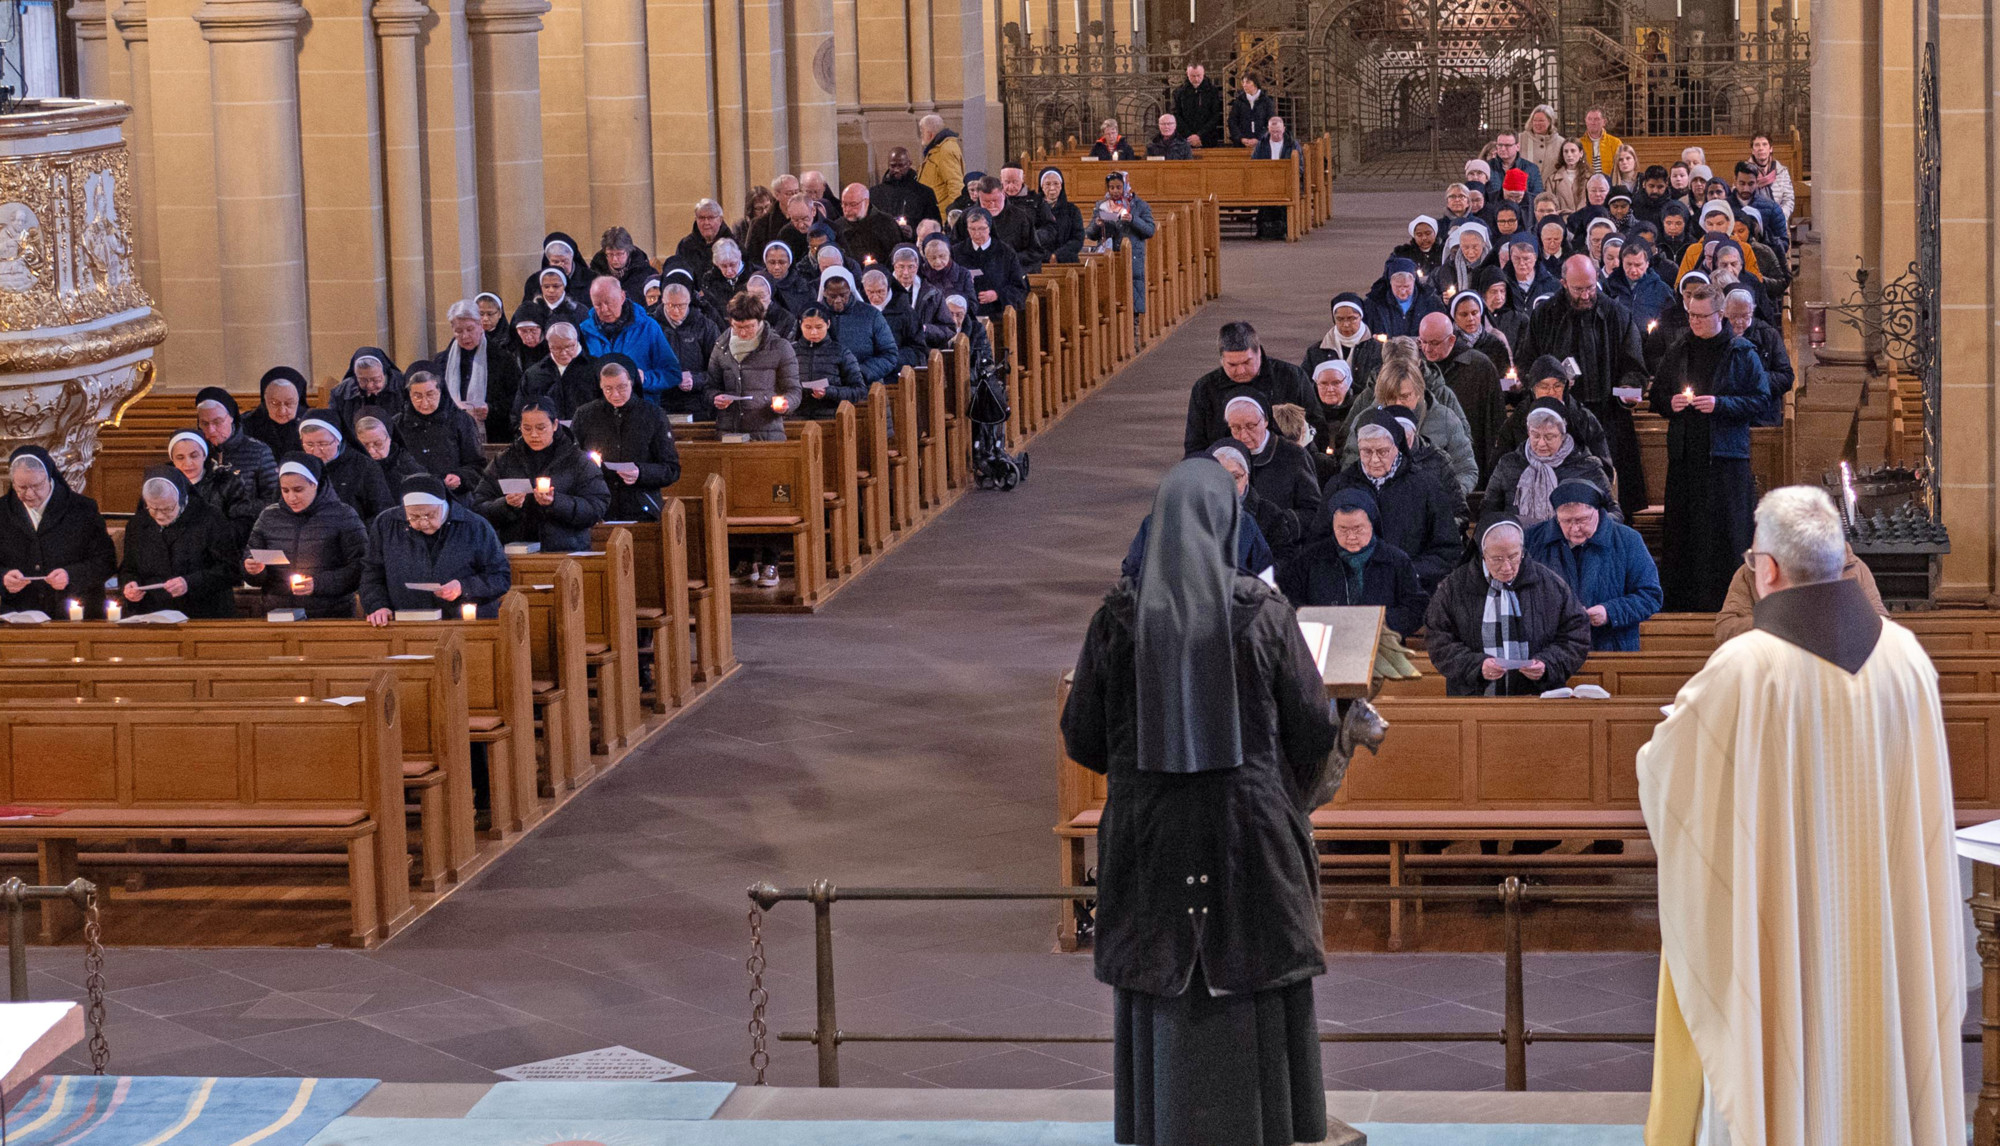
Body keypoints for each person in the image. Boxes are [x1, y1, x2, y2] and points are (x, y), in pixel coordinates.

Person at [1638, 485, 1966, 1146]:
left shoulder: (1744, 668)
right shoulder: (1907, 658)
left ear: (1766, 569)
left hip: (1778, 917)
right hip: (1880, 920)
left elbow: (1665, 769)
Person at [1062, 457, 1340, 1146]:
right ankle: (1275, 1123)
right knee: (1255, 970)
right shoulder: (1264, 612)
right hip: (1250, 832)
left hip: (1150, 832)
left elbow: (1083, 736)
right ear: (1228, 524)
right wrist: (1268, 778)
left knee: (1162, 973)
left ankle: (1160, 1122)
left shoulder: (1116, 619)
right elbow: (1314, 728)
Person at [1649, 282, 1771, 612]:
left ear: (1720, 315)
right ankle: (1682, 607)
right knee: (1685, 533)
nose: (1695, 322)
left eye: (1702, 317)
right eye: (1691, 315)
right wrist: (1670, 403)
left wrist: (1721, 404)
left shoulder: (1741, 352)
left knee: (1725, 533)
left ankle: (1731, 603)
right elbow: (1657, 395)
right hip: (1686, 458)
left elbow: (1761, 399)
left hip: (1725, 458)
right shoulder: (1679, 348)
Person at [1514, 254, 1649, 512]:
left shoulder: (1617, 314)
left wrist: (1629, 387)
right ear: (1564, 283)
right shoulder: (1544, 315)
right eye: (1578, 289)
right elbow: (1527, 363)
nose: (1586, 295)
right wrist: (1547, 382)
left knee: (1608, 495)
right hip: (1558, 418)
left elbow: (1634, 365)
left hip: (1607, 416)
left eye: (1590, 287)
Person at [1423, 516, 1590, 696]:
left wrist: (1547, 664)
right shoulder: (1454, 587)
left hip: (1537, 698)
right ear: (1483, 554)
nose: (1507, 567)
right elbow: (1438, 640)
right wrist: (1476, 666)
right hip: (1473, 700)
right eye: (1497, 559)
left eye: (1513, 556)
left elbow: (1576, 635)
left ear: (1522, 550)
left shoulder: (1550, 584)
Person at [1324, 411, 1461, 590]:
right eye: (1366, 451)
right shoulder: (1340, 485)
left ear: (1396, 446)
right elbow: (1319, 543)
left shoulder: (1425, 486)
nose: (1374, 459)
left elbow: (1447, 549)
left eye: (1382, 451)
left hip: (1411, 588)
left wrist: (1407, 571)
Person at [359, 473, 512, 626]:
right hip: (406, 625)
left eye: (429, 515)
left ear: (443, 505)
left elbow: (500, 577)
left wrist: (463, 587)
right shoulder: (386, 524)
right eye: (414, 517)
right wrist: (378, 606)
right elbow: (372, 574)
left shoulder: (475, 526)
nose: (423, 523)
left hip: (462, 625)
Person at [1523, 480, 1659, 651]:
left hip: (1611, 647)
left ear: (1598, 512)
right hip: (1551, 650)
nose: (1575, 528)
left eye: (1582, 520)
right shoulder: (1533, 540)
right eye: (1566, 521)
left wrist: (1609, 612)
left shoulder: (1628, 540)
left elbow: (1650, 596)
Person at [1279, 487, 1428, 637]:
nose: (1351, 537)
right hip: (1324, 639)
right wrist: (1318, 621)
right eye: (1342, 529)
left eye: (1358, 529)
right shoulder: (1310, 559)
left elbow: (1415, 607)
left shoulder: (1396, 560)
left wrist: (1379, 621)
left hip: (1381, 640)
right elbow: (1288, 600)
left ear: (1372, 524)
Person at [474, 398, 611, 552]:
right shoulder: (504, 460)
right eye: (527, 428)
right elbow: (478, 506)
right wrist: (505, 505)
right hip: (515, 552)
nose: (534, 434)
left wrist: (555, 502)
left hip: (566, 551)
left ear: (555, 425)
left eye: (541, 428)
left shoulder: (577, 461)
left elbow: (596, 506)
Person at [243, 452, 369, 618]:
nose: (291, 497)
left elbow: (361, 565)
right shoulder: (269, 517)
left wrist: (318, 584)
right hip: (278, 612)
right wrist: (253, 570)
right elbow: (251, 562)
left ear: (314, 484)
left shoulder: (343, 515)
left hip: (330, 614)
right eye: (285, 490)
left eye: (298, 490)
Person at [1339, 349, 1477, 497]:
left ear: (1418, 392)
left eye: (1405, 396)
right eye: (1391, 397)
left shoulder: (1445, 419)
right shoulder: (1364, 421)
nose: (1398, 403)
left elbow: (1466, 469)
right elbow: (1350, 469)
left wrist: (1446, 497)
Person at [0, 445, 116, 619]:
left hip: (75, 614)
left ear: (49, 477)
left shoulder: (82, 509)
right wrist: (3, 577)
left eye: (37, 486)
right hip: (20, 614)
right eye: (21, 487)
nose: (30, 494)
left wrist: (70, 575)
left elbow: (106, 562)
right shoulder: (3, 511)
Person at [118, 469, 240, 618]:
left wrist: (189, 583)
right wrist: (130, 584)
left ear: (181, 499)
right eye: (153, 508)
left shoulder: (210, 518)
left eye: (167, 508)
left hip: (203, 614)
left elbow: (231, 570)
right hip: (153, 615)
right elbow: (129, 568)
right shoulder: (137, 524)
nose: (159, 515)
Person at [1184, 322, 1317, 455]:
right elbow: (1195, 445)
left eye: (1247, 362)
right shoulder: (1204, 389)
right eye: (1232, 365)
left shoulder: (1291, 377)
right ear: (1221, 360)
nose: (1241, 371)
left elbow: (1316, 423)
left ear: (1259, 352)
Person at [1483, 401, 1616, 526]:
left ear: (1563, 435)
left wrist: (1589, 526)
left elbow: (1613, 511)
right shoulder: (1509, 464)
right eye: (1535, 435)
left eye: (1549, 437)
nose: (1541, 443)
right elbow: (1488, 510)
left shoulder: (1587, 467)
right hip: (1518, 539)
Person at [1221, 395, 1320, 560]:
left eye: (1251, 426)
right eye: (1235, 428)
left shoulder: (1293, 455)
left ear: (1265, 420)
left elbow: (1314, 511)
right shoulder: (1222, 456)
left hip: (1282, 553)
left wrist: (1281, 522)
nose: (1243, 435)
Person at [1494, 354, 1614, 476]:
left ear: (1565, 388)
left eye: (1557, 386)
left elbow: (1603, 467)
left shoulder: (1582, 418)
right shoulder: (1518, 420)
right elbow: (1500, 468)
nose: (1551, 392)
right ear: (1533, 390)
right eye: (1544, 387)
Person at [1419, 310, 1502, 483]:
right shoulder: (1417, 367)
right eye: (1423, 342)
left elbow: (1494, 421)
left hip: (1470, 456)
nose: (1427, 349)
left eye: (1434, 343)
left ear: (1451, 340)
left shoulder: (1480, 366)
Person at [706, 292, 801, 442]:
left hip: (767, 431)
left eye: (749, 326)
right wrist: (715, 397)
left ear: (760, 321)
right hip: (729, 431)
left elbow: (794, 390)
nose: (743, 333)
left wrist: (786, 403)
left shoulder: (780, 347)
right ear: (730, 322)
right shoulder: (721, 347)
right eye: (738, 327)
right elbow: (710, 387)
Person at [433, 297, 523, 444]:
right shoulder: (442, 361)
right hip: (451, 437)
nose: (465, 336)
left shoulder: (502, 359)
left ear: (480, 326)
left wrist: (491, 409)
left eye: (470, 329)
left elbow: (517, 398)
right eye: (458, 331)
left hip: (494, 435)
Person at [580, 276, 679, 401]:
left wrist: (645, 379)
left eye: (609, 302)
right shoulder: (584, 331)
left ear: (622, 297)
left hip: (641, 405)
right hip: (599, 406)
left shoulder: (647, 327)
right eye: (597, 305)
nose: (604, 309)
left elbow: (672, 373)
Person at [395, 368, 487, 501]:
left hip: (454, 496)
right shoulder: (398, 424)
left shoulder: (461, 420)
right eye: (417, 396)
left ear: (440, 392)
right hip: (411, 495)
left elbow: (477, 464)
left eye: (430, 394)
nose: (425, 402)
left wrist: (460, 477)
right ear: (409, 396)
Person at [166, 426, 259, 546]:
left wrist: (210, 535)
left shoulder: (227, 482)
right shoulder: (162, 486)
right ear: (172, 459)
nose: (188, 463)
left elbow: (243, 525)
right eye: (180, 458)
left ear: (204, 455)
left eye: (194, 456)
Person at [1084, 171, 1157, 320]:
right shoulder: (1101, 206)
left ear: (1126, 186)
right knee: (1109, 297)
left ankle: (1134, 327)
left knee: (1131, 296)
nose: (1115, 191)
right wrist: (1098, 224)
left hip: (1132, 257)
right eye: (1111, 188)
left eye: (1118, 187)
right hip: (1108, 256)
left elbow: (1150, 230)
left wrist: (1132, 219)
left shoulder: (1139, 205)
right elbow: (1090, 234)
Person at [298, 412, 393, 524]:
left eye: (323, 444)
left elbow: (383, 515)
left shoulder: (365, 467)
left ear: (338, 440)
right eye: (309, 445)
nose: (316, 452)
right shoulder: (298, 466)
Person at [194, 386, 280, 504]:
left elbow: (273, 500)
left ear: (231, 418)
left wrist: (242, 510)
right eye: (204, 423)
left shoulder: (259, 451)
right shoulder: (194, 452)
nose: (211, 430)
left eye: (217, 422)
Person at [1723, 287, 1794, 426]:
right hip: (1729, 413)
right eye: (1733, 316)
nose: (1739, 322)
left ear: (1752, 311)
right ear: (1724, 313)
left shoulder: (1768, 334)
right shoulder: (1720, 334)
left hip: (1763, 414)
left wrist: (1756, 378)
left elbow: (1786, 377)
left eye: (1744, 316)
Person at [818, 266, 900, 383]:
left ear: (850, 291)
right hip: (823, 387)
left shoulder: (871, 315)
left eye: (843, 295)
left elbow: (889, 354)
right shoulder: (812, 315)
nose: (838, 300)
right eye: (832, 296)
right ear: (824, 293)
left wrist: (860, 373)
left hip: (865, 385)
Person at [789, 302, 867, 420]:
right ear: (800, 324)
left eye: (819, 327)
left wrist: (829, 392)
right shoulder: (790, 352)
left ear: (828, 324)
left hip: (831, 417)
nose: (813, 332)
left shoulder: (841, 352)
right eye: (808, 327)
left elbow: (859, 390)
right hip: (795, 418)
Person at [952, 207, 1028, 321]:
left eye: (982, 229)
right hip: (964, 317)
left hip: (998, 317)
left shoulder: (1005, 252)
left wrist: (997, 295)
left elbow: (1019, 288)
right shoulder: (956, 252)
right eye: (972, 229)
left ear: (990, 228)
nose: (977, 234)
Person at [327, 346, 406, 432]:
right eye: (363, 380)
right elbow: (333, 425)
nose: (370, 386)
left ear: (384, 373)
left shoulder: (403, 387)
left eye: (376, 380)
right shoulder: (340, 393)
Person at [1362, 257, 1444, 338]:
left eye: (1407, 286)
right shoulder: (1374, 304)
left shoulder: (1431, 301)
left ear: (1414, 281)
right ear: (1390, 282)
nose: (1403, 292)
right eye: (1398, 287)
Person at [352, 408, 426, 492]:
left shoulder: (410, 470)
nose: (371, 451)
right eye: (364, 445)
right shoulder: (350, 469)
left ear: (389, 439)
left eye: (378, 444)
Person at [872, 147, 942, 236]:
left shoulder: (925, 193)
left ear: (909, 164)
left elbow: (934, 227)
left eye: (901, 165)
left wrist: (914, 232)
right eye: (893, 166)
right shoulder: (875, 193)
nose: (897, 169)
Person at [835, 183, 903, 271]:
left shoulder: (886, 223)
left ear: (866, 202)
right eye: (844, 204)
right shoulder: (838, 226)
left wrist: (879, 268)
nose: (847, 209)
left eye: (853, 204)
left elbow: (896, 255)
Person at [245, 366, 307, 460]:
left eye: (289, 403)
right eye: (274, 403)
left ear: (299, 401)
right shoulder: (247, 425)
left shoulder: (311, 422)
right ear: (265, 401)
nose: (282, 411)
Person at [519, 232, 596, 308]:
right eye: (555, 262)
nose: (560, 265)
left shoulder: (592, 279)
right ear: (548, 261)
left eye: (564, 261)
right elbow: (526, 310)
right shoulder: (534, 282)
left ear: (572, 258)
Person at [916, 115, 965, 230]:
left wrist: (952, 219)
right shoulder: (937, 149)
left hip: (941, 217)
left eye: (922, 131)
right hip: (934, 213)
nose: (921, 135)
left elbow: (955, 185)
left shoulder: (945, 150)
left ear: (930, 134)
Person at [593, 226, 658, 303]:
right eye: (610, 254)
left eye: (619, 254)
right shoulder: (595, 271)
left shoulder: (645, 272)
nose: (614, 259)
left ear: (628, 252)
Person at [1169, 62, 1224, 148]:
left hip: (1208, 137)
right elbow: (1176, 115)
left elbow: (1216, 115)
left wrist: (1200, 135)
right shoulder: (1179, 92)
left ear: (1203, 73)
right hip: (1185, 138)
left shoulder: (1212, 91)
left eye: (1199, 75)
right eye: (1193, 76)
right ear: (1187, 74)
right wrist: (1190, 136)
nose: (1196, 79)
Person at [672, 205, 729, 281]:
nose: (706, 222)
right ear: (696, 220)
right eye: (701, 218)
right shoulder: (685, 245)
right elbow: (679, 273)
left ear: (720, 220)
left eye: (711, 218)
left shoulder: (732, 245)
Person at [1746, 131, 1795, 219]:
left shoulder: (1781, 171)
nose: (1761, 148)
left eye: (1764, 144)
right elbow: (1739, 199)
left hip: (1778, 219)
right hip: (1753, 221)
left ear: (1771, 149)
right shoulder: (1744, 172)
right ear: (1752, 151)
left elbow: (1788, 199)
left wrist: (1780, 217)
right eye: (1757, 145)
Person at [1489, 129, 1543, 196]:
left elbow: (1537, 196)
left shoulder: (1531, 169)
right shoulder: (1488, 167)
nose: (1503, 149)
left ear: (1517, 147)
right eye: (1500, 145)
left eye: (1507, 145)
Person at [1518, 103, 1565, 177]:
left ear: (1550, 122)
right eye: (1535, 120)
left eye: (1541, 121)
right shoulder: (1520, 139)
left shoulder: (1561, 142)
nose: (1537, 123)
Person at [1228, 73, 1274, 145]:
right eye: (1243, 82)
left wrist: (1259, 138)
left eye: (1248, 82)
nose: (1244, 85)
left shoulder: (1266, 101)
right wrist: (1241, 138)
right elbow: (1232, 121)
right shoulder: (1239, 101)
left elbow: (1271, 122)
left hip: (1262, 143)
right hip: (1242, 143)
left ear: (1255, 84)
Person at [1576, 107, 1621, 177]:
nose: (1592, 122)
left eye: (1596, 119)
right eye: (1589, 119)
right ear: (1586, 121)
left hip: (1609, 181)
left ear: (1604, 122)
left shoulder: (1615, 143)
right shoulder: (1578, 144)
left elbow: (1620, 166)